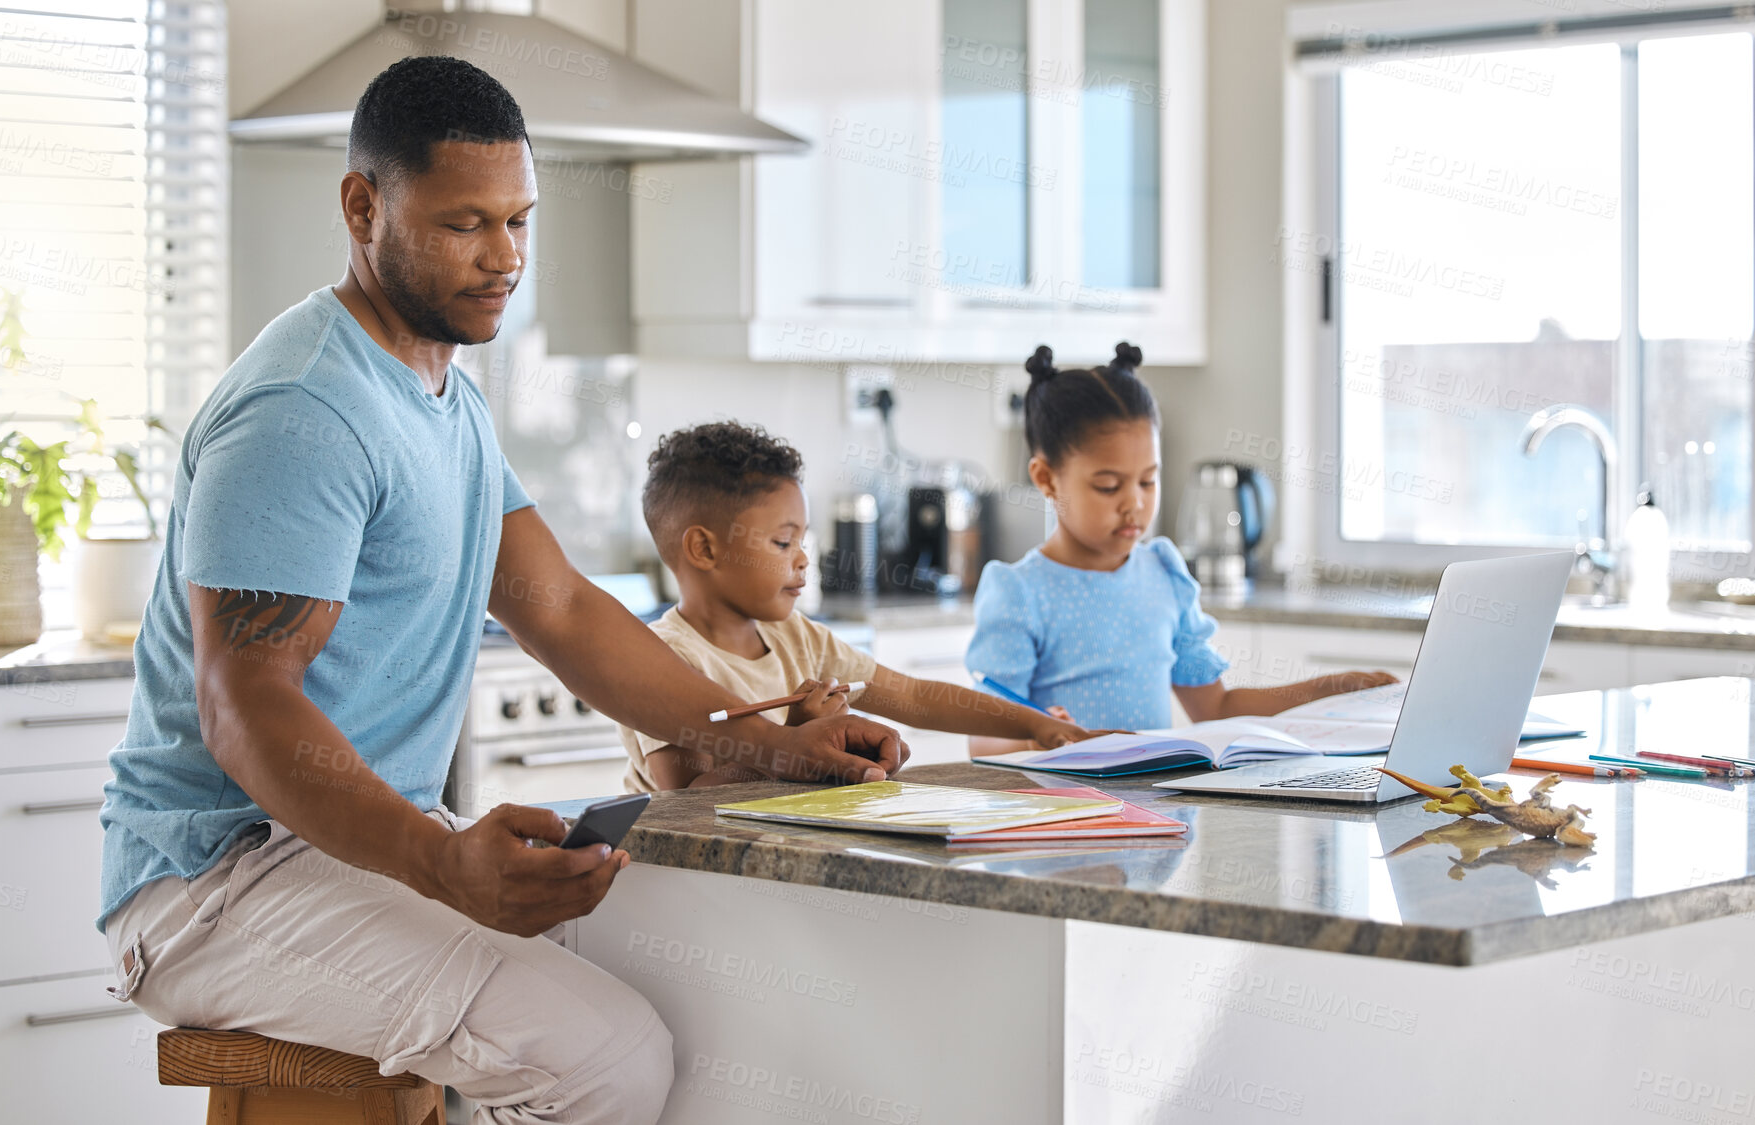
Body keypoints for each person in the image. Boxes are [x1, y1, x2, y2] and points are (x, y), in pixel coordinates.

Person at [96, 57, 907, 1125]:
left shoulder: (442, 395)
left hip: (343, 855)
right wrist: (437, 860)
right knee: (606, 1059)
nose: (505, 257)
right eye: (465, 223)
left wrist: (754, 740)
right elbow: (244, 707)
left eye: (519, 219)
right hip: (216, 885)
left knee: (699, 976)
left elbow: (559, 607)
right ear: (361, 205)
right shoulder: (304, 411)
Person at [966, 343, 1395, 756]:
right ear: (1046, 479)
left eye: (1148, 481)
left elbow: (1216, 709)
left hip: (1158, 814)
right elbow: (981, 739)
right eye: (1108, 486)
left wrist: (1327, 689)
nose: (1134, 503)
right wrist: (1032, 739)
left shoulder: (1164, 575)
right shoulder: (1019, 592)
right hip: (1058, 817)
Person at [616, 421, 1091, 790]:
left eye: (802, 540)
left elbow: (915, 696)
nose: (803, 558)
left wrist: (1041, 726)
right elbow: (687, 796)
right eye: (783, 543)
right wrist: (791, 741)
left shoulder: (796, 637)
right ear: (704, 549)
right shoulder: (665, 658)